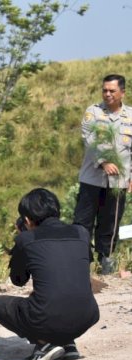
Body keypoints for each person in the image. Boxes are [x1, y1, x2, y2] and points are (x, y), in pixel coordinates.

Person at [0, 188, 99, 360]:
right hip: (87, 315)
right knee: (57, 298)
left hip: (47, 317)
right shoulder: (81, 232)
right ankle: (67, 341)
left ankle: (45, 344)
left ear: (26, 220)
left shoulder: (26, 239)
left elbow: (18, 281)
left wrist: (22, 243)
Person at [73, 74, 132, 275]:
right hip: (92, 179)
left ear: (122, 92)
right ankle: (80, 264)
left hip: (118, 182)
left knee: (110, 223)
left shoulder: (130, 116)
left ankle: (106, 263)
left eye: (112, 91)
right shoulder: (94, 112)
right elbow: (88, 139)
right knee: (83, 223)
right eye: (104, 90)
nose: (107, 94)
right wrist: (104, 161)